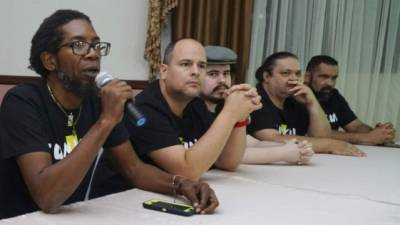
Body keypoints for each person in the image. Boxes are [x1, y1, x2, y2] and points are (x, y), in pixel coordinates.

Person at [0, 10, 218, 219]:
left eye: (96, 45)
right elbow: (47, 197)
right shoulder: (23, 102)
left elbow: (134, 169)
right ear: (50, 60)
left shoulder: (96, 101)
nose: (93, 53)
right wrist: (106, 120)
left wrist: (181, 184)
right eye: (79, 45)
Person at [125, 39, 262, 180]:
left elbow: (228, 162)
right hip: (123, 196)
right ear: (164, 71)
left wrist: (240, 118)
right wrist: (230, 113)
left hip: (169, 192)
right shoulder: (144, 109)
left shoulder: (195, 104)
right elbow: (186, 172)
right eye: (186, 64)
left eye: (202, 66)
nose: (196, 72)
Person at [201, 46, 313, 164]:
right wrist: (283, 153)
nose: (222, 80)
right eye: (213, 74)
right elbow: (227, 156)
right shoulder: (193, 109)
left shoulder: (223, 107)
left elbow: (254, 143)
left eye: (226, 73)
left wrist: (294, 147)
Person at [247, 52, 365, 156]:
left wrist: (312, 103)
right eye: (285, 73)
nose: (293, 79)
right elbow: (272, 139)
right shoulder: (254, 99)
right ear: (267, 76)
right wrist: (329, 145)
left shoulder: (296, 98)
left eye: (297, 74)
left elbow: (322, 136)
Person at [305, 55, 395, 145]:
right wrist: (367, 137)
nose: (330, 83)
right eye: (324, 77)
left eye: (334, 78)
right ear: (307, 77)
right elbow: (315, 134)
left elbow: (355, 126)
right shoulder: (300, 97)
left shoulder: (333, 95)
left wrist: (380, 134)